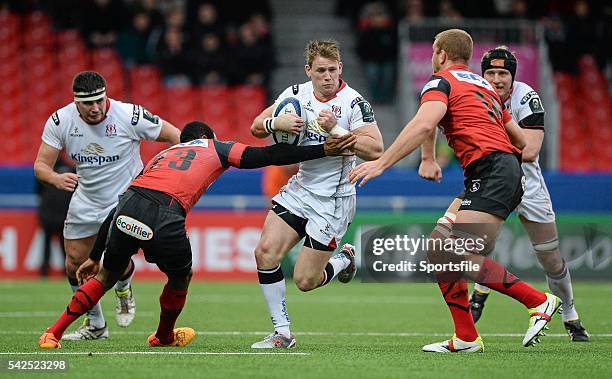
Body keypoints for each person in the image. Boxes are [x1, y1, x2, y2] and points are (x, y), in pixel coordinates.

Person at [38, 121, 357, 349]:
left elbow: (121, 203)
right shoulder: (213, 146)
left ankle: (53, 333)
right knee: (180, 278)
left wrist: (95, 256)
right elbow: (266, 156)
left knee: (106, 275)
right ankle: (163, 336)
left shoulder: (160, 158)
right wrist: (321, 150)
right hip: (165, 214)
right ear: (208, 137)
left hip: (128, 207)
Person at [350, 29, 560, 353]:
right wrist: (429, 157)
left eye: (435, 51)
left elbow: (423, 123)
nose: (434, 57)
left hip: (492, 173)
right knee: (439, 250)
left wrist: (381, 164)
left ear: (442, 53)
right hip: (491, 173)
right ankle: (465, 337)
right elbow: (520, 140)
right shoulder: (483, 86)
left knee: (456, 254)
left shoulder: (440, 82)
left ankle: (538, 301)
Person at [419, 46, 589, 341]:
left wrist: (486, 145)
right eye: (491, 73)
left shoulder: (526, 97)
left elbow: (531, 149)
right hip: (486, 176)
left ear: (513, 77)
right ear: (482, 74)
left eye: (503, 74)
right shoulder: (476, 90)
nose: (497, 79)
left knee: (549, 256)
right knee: (455, 248)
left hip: (523, 182)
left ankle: (569, 313)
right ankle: (473, 316)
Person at [249, 39, 384, 348]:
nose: (327, 77)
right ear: (308, 70)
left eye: (333, 70)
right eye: (321, 70)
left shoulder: (353, 102)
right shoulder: (294, 95)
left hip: (334, 200)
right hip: (300, 188)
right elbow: (256, 127)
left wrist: (337, 130)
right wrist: (275, 122)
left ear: (341, 69)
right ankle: (282, 333)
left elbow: (376, 149)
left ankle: (344, 259)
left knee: (306, 281)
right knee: (264, 253)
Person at [33, 71, 181, 340]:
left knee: (116, 262)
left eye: (99, 100)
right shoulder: (60, 120)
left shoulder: (129, 115)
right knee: (74, 264)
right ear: (76, 102)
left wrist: (169, 174)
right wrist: (55, 178)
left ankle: (124, 289)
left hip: (126, 201)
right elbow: (41, 166)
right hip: (86, 200)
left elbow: (175, 135)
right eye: (88, 103)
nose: (95, 107)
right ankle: (96, 325)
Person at [37, 153, 74, 277]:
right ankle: (46, 272)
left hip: (62, 214)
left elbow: (38, 192)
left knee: (64, 246)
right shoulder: (45, 172)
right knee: (50, 244)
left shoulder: (70, 170)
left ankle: (65, 272)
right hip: (52, 214)